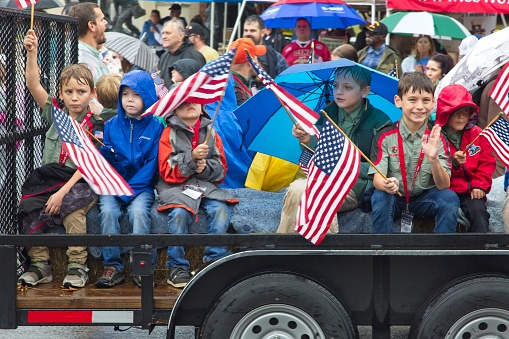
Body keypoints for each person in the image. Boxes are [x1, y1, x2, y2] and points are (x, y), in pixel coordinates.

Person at [18, 30, 104, 288]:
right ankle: (39, 264)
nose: (75, 97)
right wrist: (31, 52)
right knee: (30, 207)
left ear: (92, 92)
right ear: (61, 93)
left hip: (79, 182)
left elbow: (89, 166)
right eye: (69, 91)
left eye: (81, 91)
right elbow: (33, 85)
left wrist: (61, 194)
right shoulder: (56, 115)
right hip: (51, 179)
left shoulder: (95, 124)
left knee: (73, 212)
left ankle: (77, 265)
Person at [277, 65, 391, 234]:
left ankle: (320, 251)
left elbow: (381, 167)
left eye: (347, 87)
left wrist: (347, 166)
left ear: (365, 91)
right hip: (323, 176)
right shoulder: (327, 114)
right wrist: (306, 139)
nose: (339, 92)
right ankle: (288, 247)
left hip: (356, 184)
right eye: (335, 85)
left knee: (304, 190)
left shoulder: (380, 121)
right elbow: (318, 155)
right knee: (297, 189)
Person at [156, 101, 238, 288]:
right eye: (184, 103)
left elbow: (221, 169)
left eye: (195, 101)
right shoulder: (169, 133)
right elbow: (166, 169)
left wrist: (204, 168)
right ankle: (176, 266)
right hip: (176, 187)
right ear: (175, 109)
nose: (190, 105)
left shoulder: (212, 133)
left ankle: (214, 259)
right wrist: (191, 159)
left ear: (202, 107)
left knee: (220, 209)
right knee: (179, 214)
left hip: (206, 186)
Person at [95, 70, 164, 288]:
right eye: (125, 94)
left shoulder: (156, 127)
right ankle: (112, 266)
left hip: (141, 187)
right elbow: (107, 165)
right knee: (107, 212)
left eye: (136, 94)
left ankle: (141, 266)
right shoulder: (111, 125)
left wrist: (129, 192)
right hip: (113, 185)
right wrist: (105, 154)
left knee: (138, 213)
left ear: (147, 96)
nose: (130, 100)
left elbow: (151, 166)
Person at [369, 72, 459, 234]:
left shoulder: (437, 137)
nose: (419, 106)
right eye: (412, 100)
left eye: (426, 100)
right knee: (380, 197)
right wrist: (387, 184)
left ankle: (443, 253)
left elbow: (443, 185)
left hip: (424, 198)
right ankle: (385, 252)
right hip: (395, 197)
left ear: (433, 103)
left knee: (449, 198)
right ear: (398, 101)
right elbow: (377, 179)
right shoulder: (384, 136)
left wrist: (433, 160)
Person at [435, 84, 495, 232]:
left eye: (466, 111)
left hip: (471, 191)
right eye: (456, 112)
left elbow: (487, 163)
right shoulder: (435, 136)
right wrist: (453, 163)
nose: (462, 117)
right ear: (445, 113)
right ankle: (443, 252)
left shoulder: (478, 134)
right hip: (445, 190)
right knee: (447, 210)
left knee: (479, 213)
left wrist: (479, 185)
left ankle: (482, 252)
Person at [68, 3, 110, 85]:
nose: (106, 22)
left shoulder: (71, 51)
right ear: (92, 26)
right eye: (102, 20)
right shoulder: (86, 62)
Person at [158, 19, 206, 89]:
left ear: (181, 36)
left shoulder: (194, 56)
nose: (163, 37)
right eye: (163, 33)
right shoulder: (164, 56)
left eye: (168, 33)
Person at [243, 15, 289, 80]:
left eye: (252, 30)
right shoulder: (236, 55)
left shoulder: (275, 56)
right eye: (245, 30)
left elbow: (285, 80)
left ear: (262, 32)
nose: (248, 34)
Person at [229, 38, 266, 106]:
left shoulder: (235, 81)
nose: (258, 62)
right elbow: (247, 115)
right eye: (256, 58)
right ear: (250, 62)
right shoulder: (234, 87)